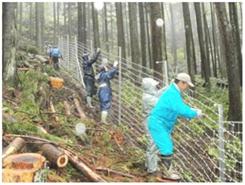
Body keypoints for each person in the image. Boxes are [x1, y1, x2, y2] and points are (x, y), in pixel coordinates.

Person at [147, 73, 202, 180]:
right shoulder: (173, 94)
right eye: (186, 85)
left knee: (157, 147)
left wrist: (191, 110)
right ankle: (166, 173)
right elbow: (180, 108)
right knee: (166, 147)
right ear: (182, 83)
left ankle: (157, 169)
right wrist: (195, 113)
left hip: (159, 123)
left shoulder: (173, 92)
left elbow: (179, 106)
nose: (186, 88)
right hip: (158, 123)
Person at [142, 78, 167, 174]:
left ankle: (149, 165)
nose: (156, 88)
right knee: (152, 144)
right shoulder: (147, 98)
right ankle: (152, 170)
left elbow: (158, 93)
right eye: (154, 86)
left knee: (153, 144)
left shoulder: (149, 95)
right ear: (149, 88)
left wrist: (169, 87)